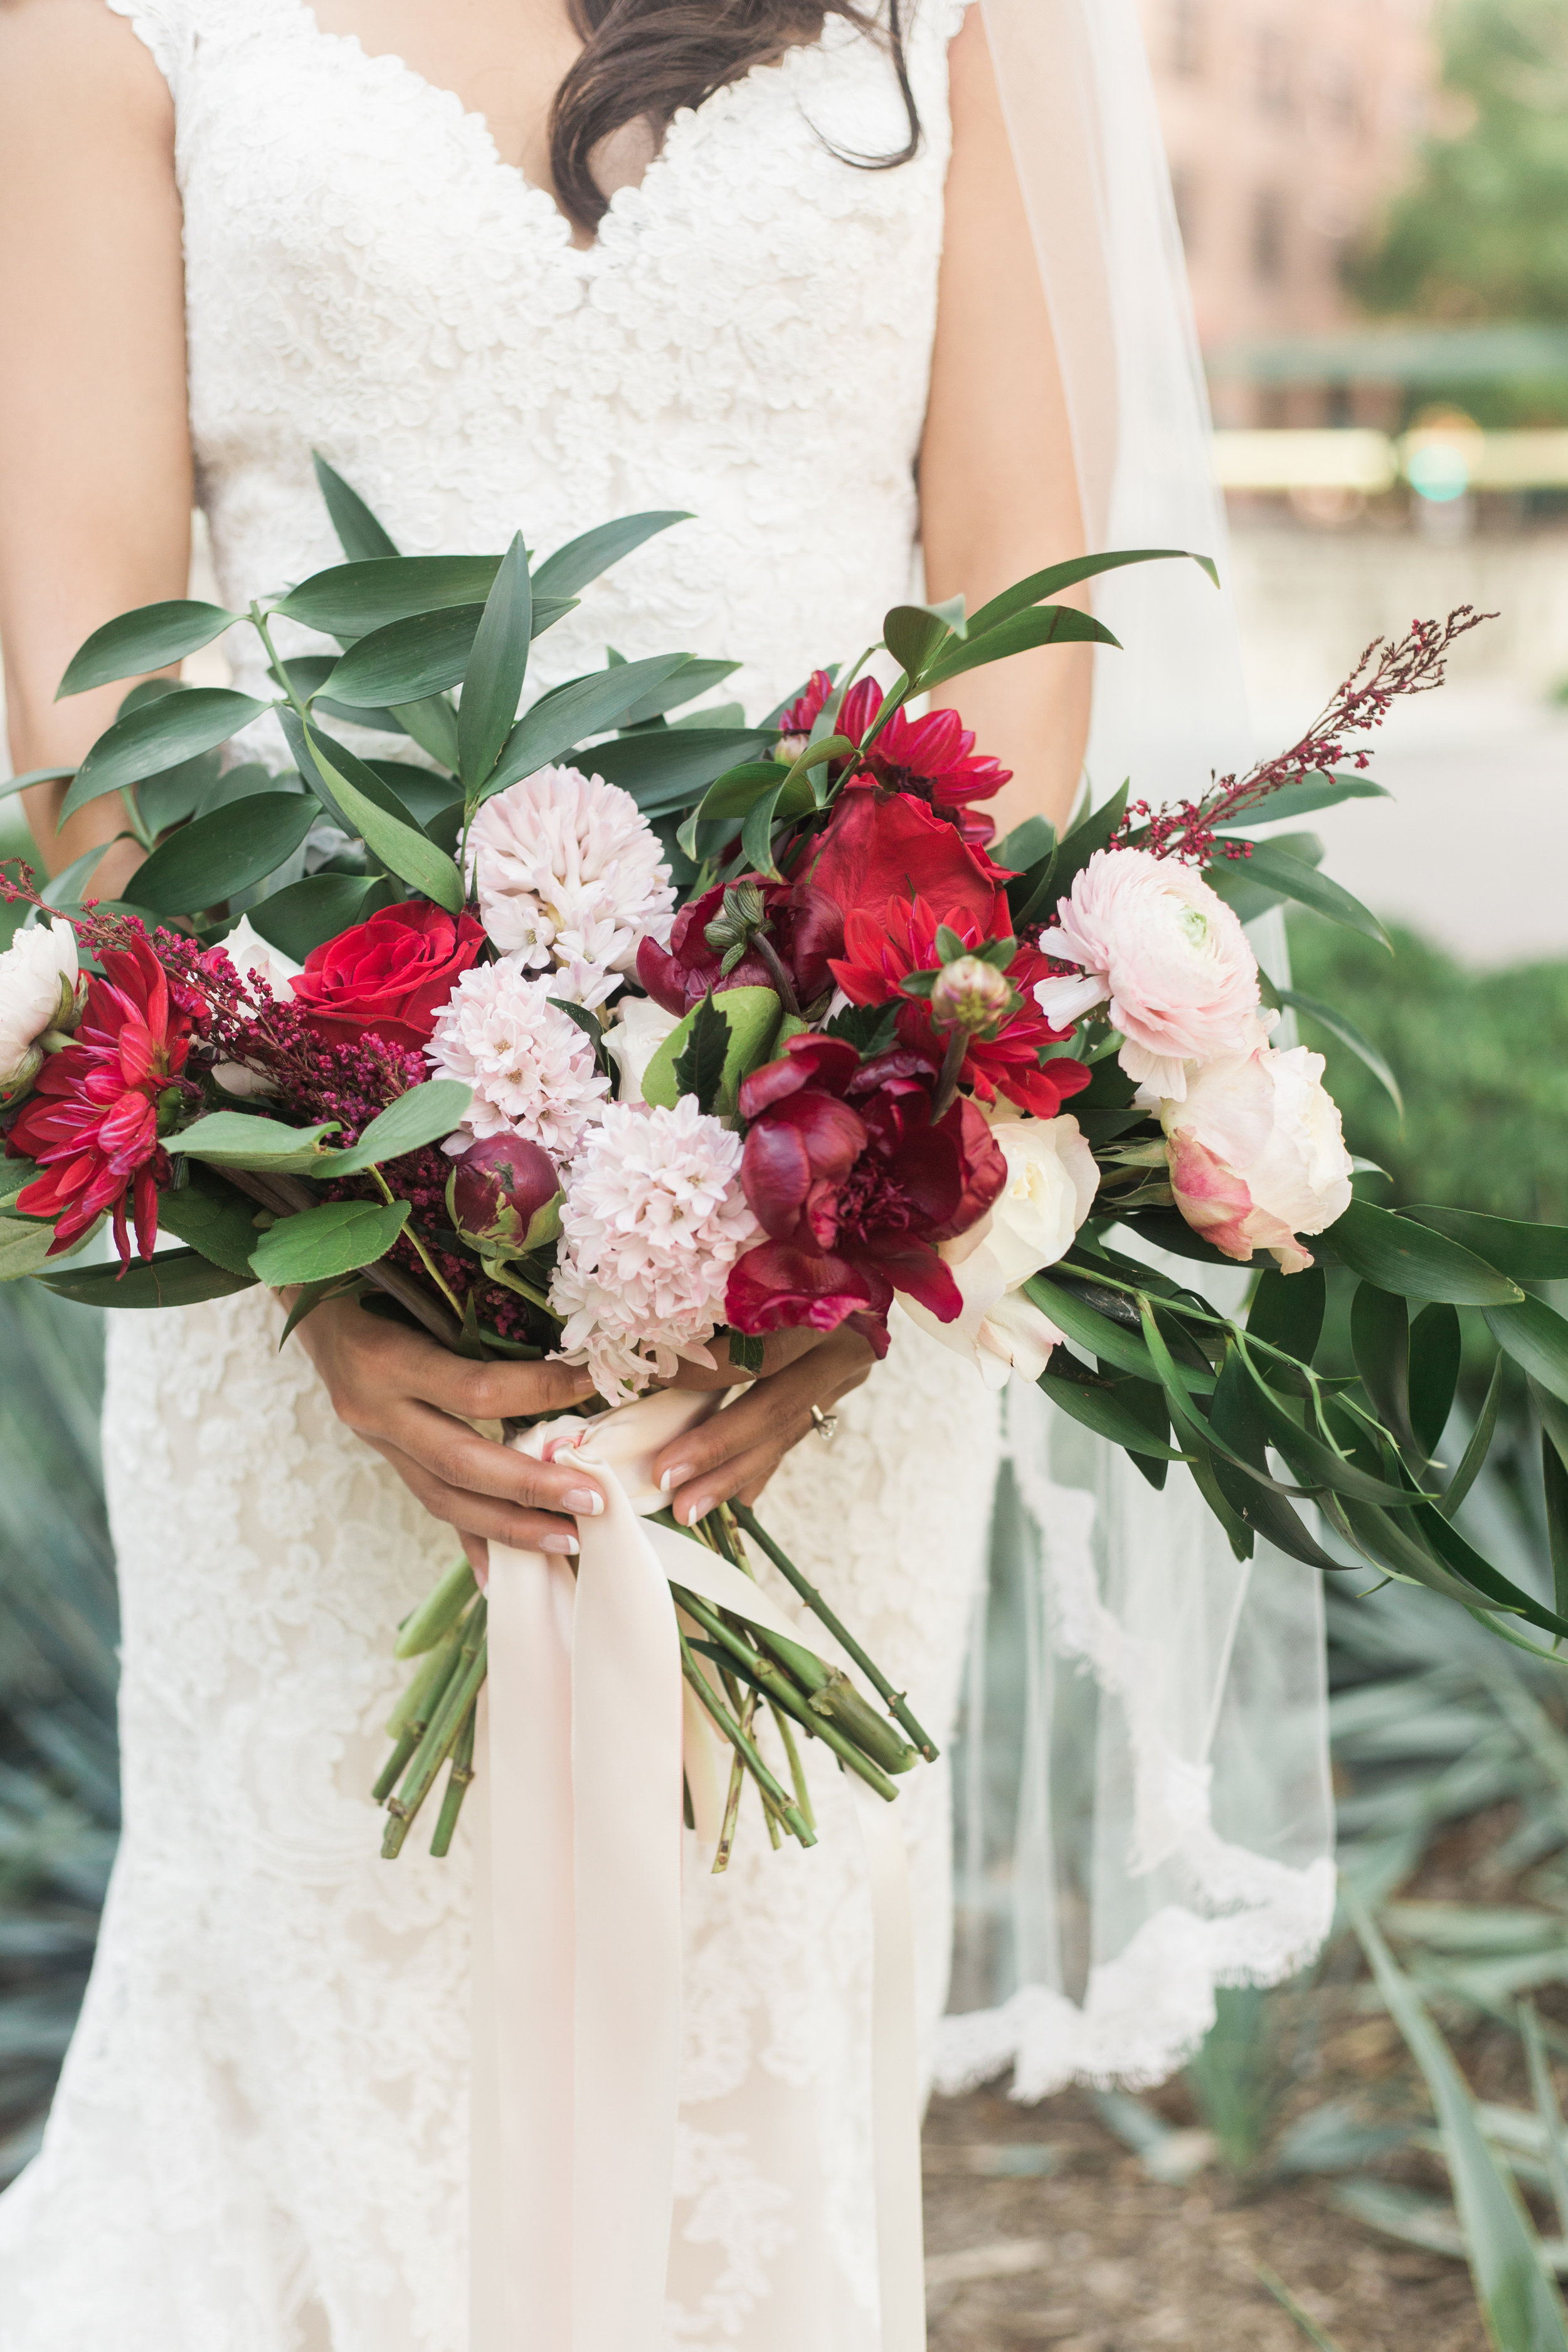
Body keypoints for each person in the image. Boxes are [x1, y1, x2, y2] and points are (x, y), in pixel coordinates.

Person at [0, 1, 1102, 2341]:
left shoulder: (918, 13)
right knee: (310, 1988)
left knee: (753, 2009)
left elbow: (1017, 565)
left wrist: (858, 1164)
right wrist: (297, 1228)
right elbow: (87, 668)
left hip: (823, 1184)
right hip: (319, 1163)